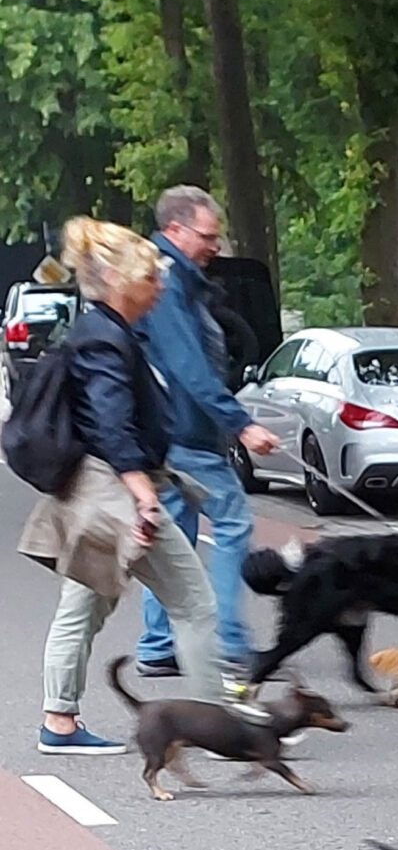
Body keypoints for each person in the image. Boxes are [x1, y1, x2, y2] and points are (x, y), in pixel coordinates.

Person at [21, 217, 229, 753]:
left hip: (94, 493)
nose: (159, 286)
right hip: (115, 493)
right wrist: (143, 494)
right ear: (117, 280)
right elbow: (111, 423)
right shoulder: (106, 338)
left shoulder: (102, 331)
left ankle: (59, 721)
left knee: (84, 605)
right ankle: (217, 726)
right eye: (149, 277)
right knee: (194, 603)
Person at [132, 186, 280, 679]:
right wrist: (241, 424)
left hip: (171, 431)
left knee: (171, 536)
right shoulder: (167, 282)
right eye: (208, 236)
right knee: (232, 521)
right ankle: (227, 642)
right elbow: (187, 366)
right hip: (184, 432)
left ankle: (159, 643)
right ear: (175, 229)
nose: (216, 246)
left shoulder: (173, 277)